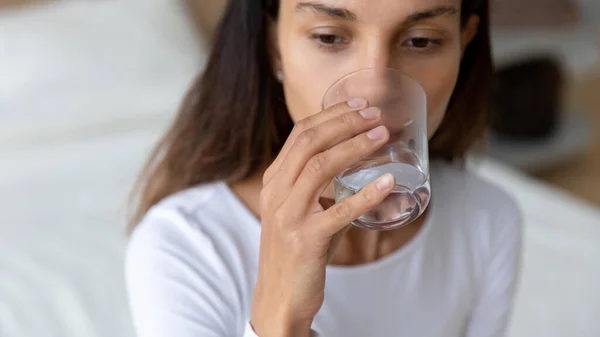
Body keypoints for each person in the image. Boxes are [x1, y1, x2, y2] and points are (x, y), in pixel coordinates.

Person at [125, 0, 522, 336]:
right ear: (273, 46)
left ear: (462, 48)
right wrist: (281, 318)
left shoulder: (488, 222)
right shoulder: (185, 246)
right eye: (329, 37)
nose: (377, 88)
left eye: (421, 41)